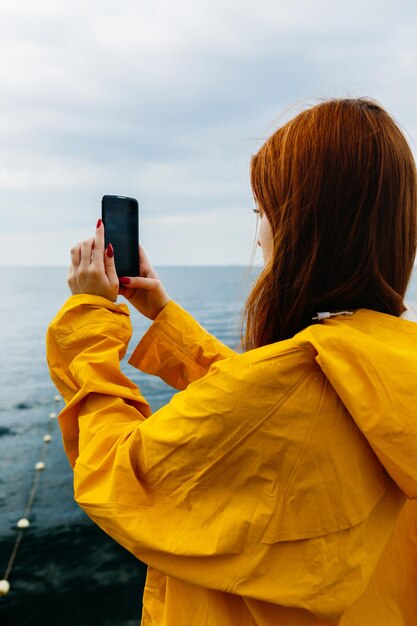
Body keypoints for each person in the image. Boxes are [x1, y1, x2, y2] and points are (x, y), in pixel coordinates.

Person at [46, 97, 417, 626]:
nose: (259, 234)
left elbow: (115, 476)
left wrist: (87, 319)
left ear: (302, 227)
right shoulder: (387, 365)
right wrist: (164, 315)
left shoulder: (291, 386)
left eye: (263, 213)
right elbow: (262, 401)